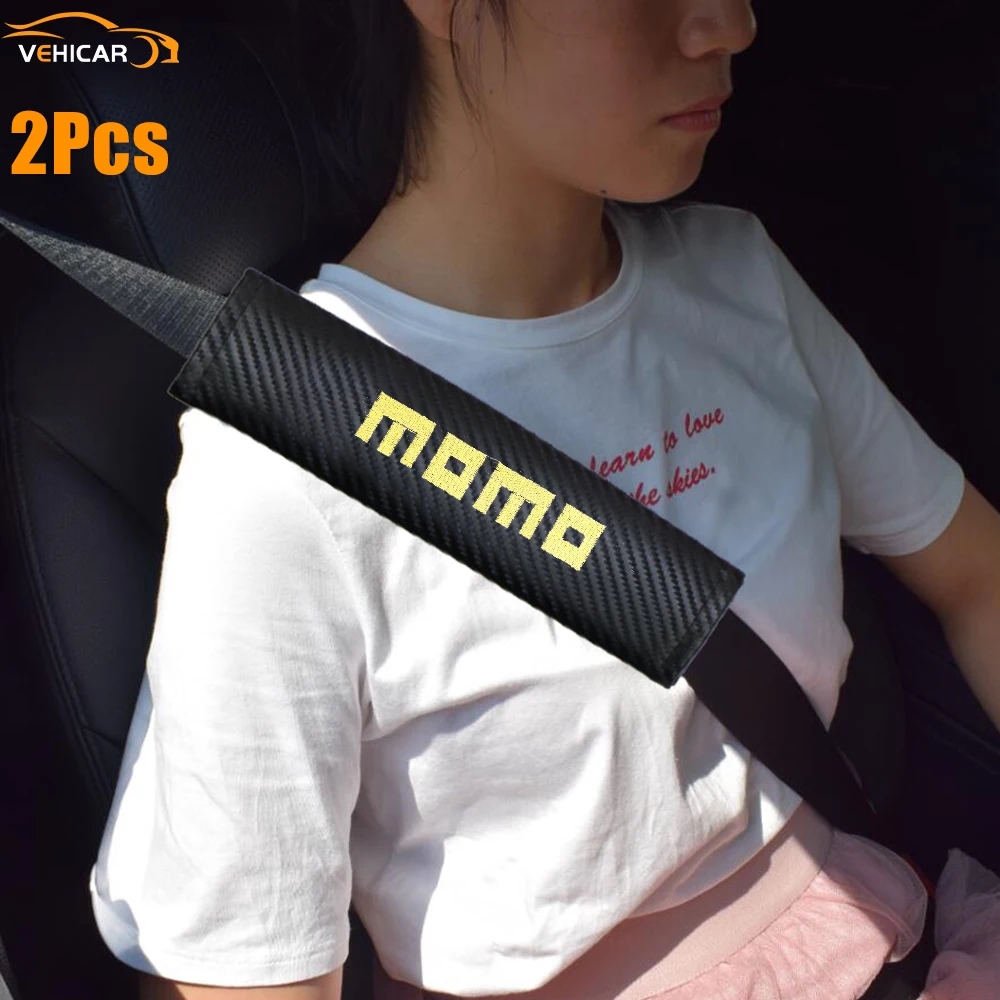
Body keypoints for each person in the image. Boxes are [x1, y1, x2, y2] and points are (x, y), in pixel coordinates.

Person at [89, 1, 1000, 998]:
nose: (730, 25)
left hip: (882, 939)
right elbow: (246, 972)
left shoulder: (738, 278)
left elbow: (978, 575)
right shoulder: (279, 463)